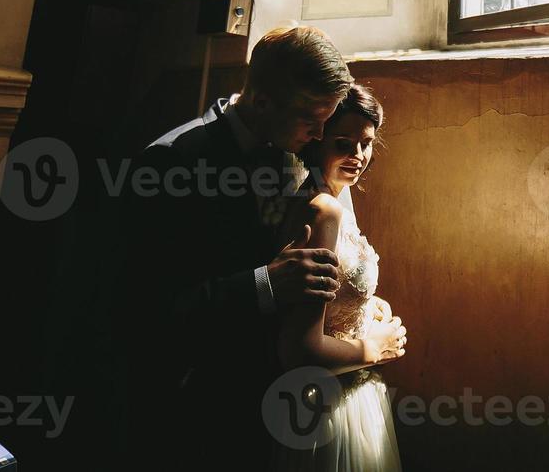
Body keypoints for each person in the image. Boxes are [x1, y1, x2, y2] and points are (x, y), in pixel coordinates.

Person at [118, 25, 406, 469]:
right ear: (262, 101)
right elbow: (146, 308)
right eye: (313, 122)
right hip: (197, 398)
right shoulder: (172, 162)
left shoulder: (290, 147)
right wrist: (265, 284)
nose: (319, 135)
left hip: (273, 401)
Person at [270, 84, 405, 472]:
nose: (358, 156)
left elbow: (334, 292)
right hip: (326, 404)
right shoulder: (322, 211)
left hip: (352, 392)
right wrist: (374, 348)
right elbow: (298, 349)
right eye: (343, 142)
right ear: (317, 142)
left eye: (366, 144)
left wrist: (368, 305)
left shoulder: (337, 197)